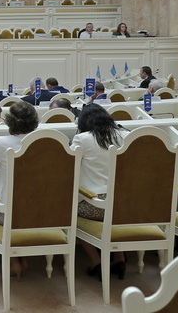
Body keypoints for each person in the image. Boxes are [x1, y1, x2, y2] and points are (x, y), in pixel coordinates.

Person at [0, 101, 40, 280]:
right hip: (39, 213)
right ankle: (21, 258)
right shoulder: (43, 142)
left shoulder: (2, 143)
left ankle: (14, 262)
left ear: (9, 121)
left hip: (8, 213)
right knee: (22, 211)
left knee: (9, 210)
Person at [69, 103, 125, 280]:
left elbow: (68, 164)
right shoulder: (126, 135)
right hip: (125, 205)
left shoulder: (82, 139)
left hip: (96, 206)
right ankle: (119, 258)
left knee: (71, 215)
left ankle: (96, 262)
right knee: (115, 217)